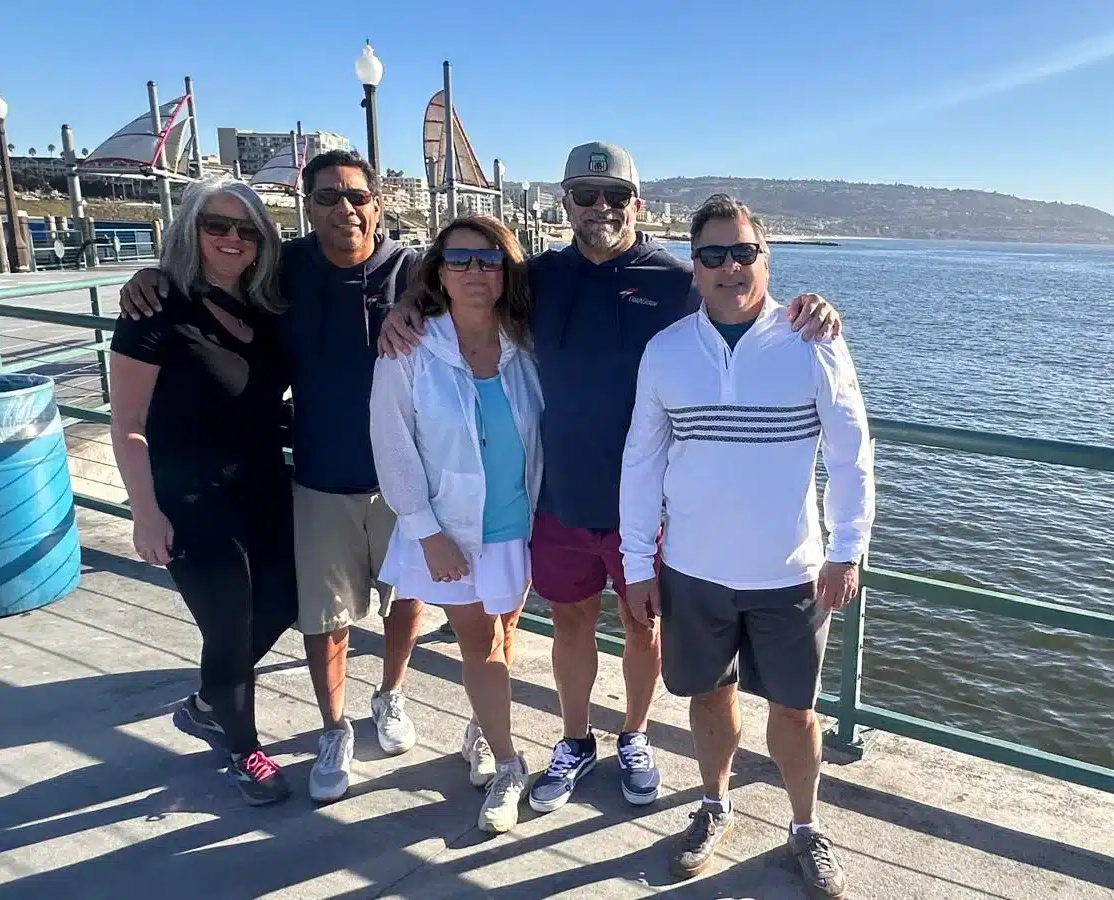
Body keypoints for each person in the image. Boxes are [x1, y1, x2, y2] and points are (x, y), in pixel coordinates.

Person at [378, 142, 842, 816]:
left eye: (615, 195)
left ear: (638, 203)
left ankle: (635, 734)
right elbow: (461, 296)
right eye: (586, 194)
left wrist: (815, 309)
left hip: (653, 508)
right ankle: (573, 740)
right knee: (568, 623)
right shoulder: (531, 277)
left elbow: (744, 294)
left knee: (641, 625)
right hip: (559, 495)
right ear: (563, 200)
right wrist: (403, 313)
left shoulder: (677, 279)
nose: (601, 208)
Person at [117, 151, 425, 803]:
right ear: (305, 206)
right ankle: (275, 739)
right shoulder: (267, 277)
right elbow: (131, 418)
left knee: (349, 603)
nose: (345, 208)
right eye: (326, 198)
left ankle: (378, 696)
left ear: (378, 201)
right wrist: (146, 274)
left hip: (342, 482)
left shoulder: (405, 273)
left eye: (357, 196)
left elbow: (491, 295)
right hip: (262, 486)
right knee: (282, 617)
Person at [619, 194, 874, 899]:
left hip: (789, 570)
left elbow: (851, 453)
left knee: (796, 710)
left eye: (744, 252)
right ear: (692, 268)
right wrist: (638, 563)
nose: (730, 266)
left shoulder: (812, 339)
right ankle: (715, 805)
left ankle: (804, 828)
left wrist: (847, 548)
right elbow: (640, 460)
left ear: (767, 257)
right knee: (709, 693)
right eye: (712, 255)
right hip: (693, 569)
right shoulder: (666, 352)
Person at [109, 176, 295, 805]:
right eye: (216, 225)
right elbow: (127, 422)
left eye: (246, 229)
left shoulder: (268, 309)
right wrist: (144, 512)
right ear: (190, 230)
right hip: (190, 496)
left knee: (284, 602)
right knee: (228, 617)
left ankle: (209, 700)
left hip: (264, 485)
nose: (232, 239)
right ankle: (243, 746)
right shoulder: (155, 308)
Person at [370, 215, 543, 833]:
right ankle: (507, 762)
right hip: (450, 535)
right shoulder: (410, 348)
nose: (476, 272)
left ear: (507, 271)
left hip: (516, 528)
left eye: (489, 260)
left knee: (503, 637)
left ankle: (481, 726)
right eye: (461, 260)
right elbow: (391, 444)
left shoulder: (526, 344)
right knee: (480, 645)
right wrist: (425, 530)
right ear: (438, 273)